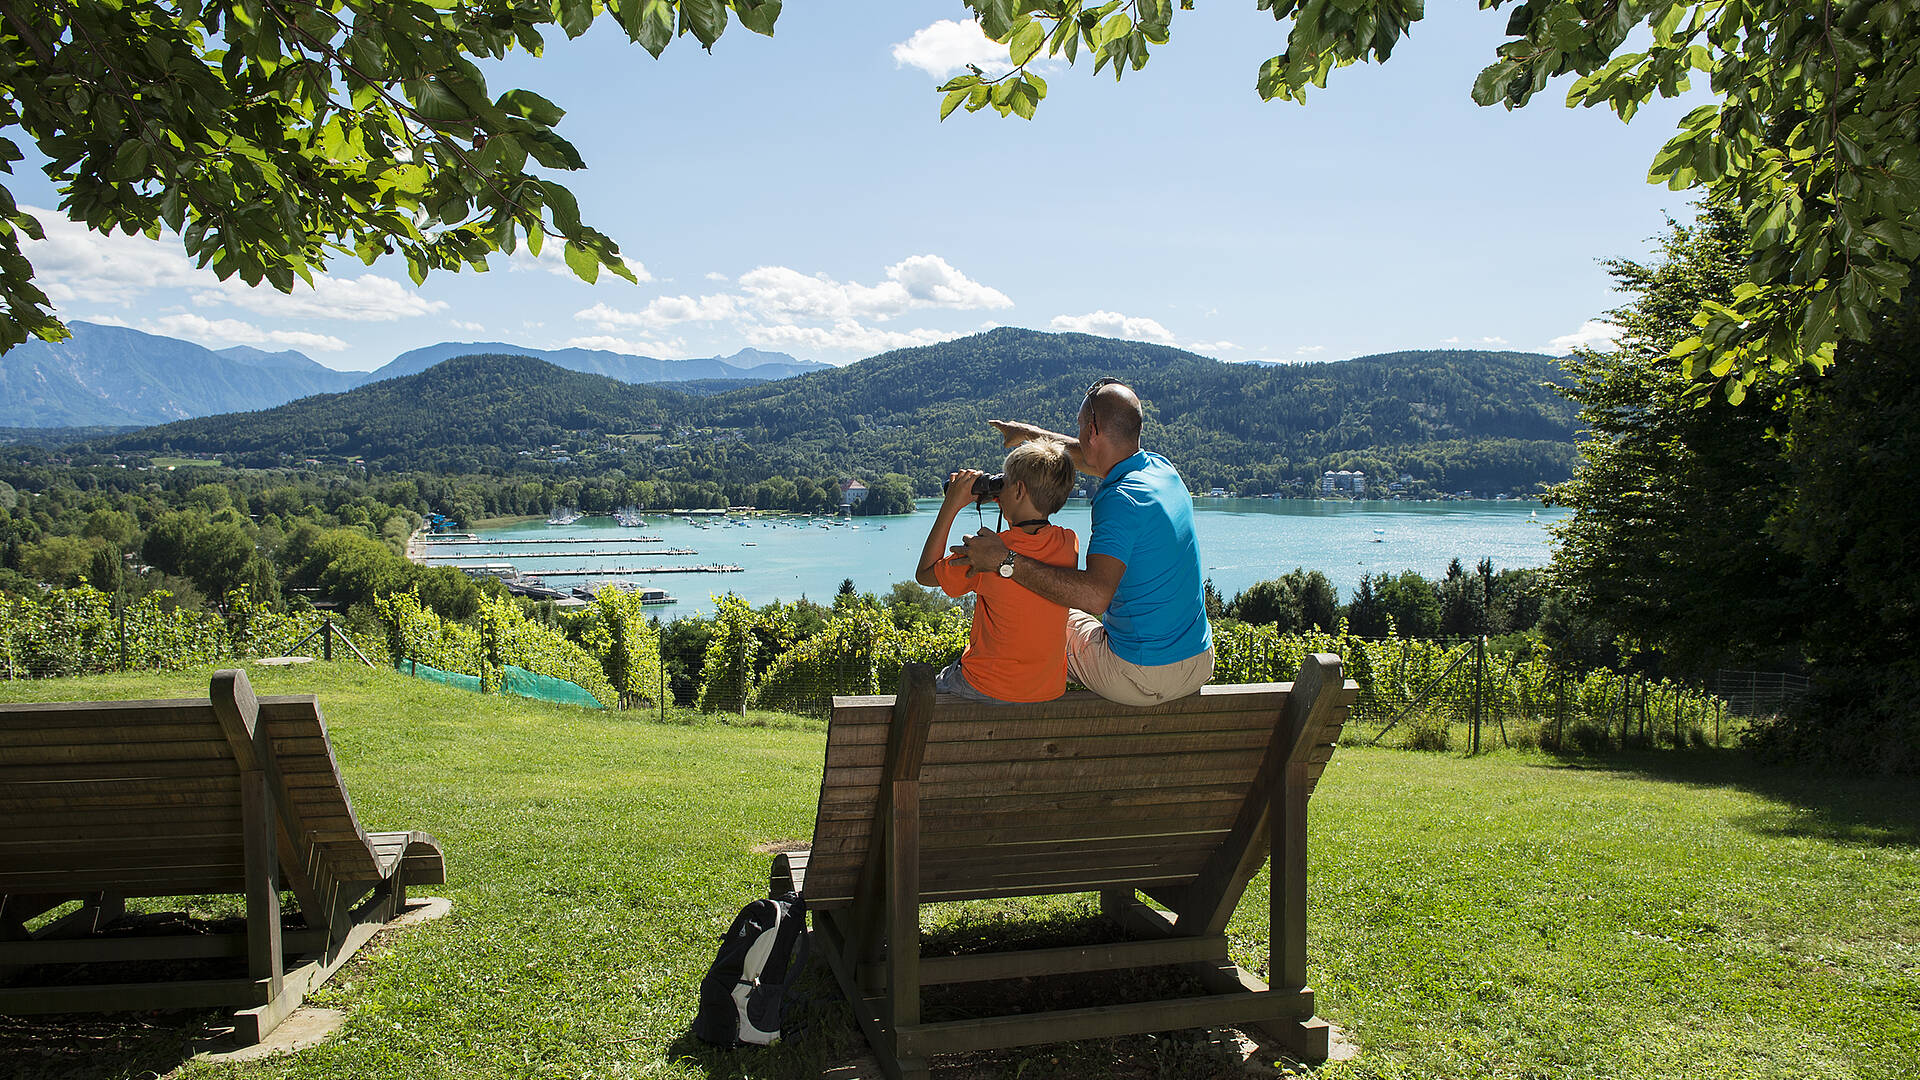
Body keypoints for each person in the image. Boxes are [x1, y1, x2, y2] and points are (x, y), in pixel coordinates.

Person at [950, 379, 1213, 706]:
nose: (1077, 437)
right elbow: (1091, 459)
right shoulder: (1162, 470)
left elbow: (1095, 596)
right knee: (1062, 612)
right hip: (1198, 661)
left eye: (1079, 428)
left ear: (1092, 430)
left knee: (1047, 623)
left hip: (1140, 676)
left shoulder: (1119, 499)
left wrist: (1005, 561)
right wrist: (1031, 436)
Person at [916, 439, 1080, 704]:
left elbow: (924, 574)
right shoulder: (1068, 543)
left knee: (925, 692)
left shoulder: (984, 556)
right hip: (1046, 689)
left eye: (1003, 485)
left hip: (987, 686)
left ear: (1019, 491)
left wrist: (951, 505)